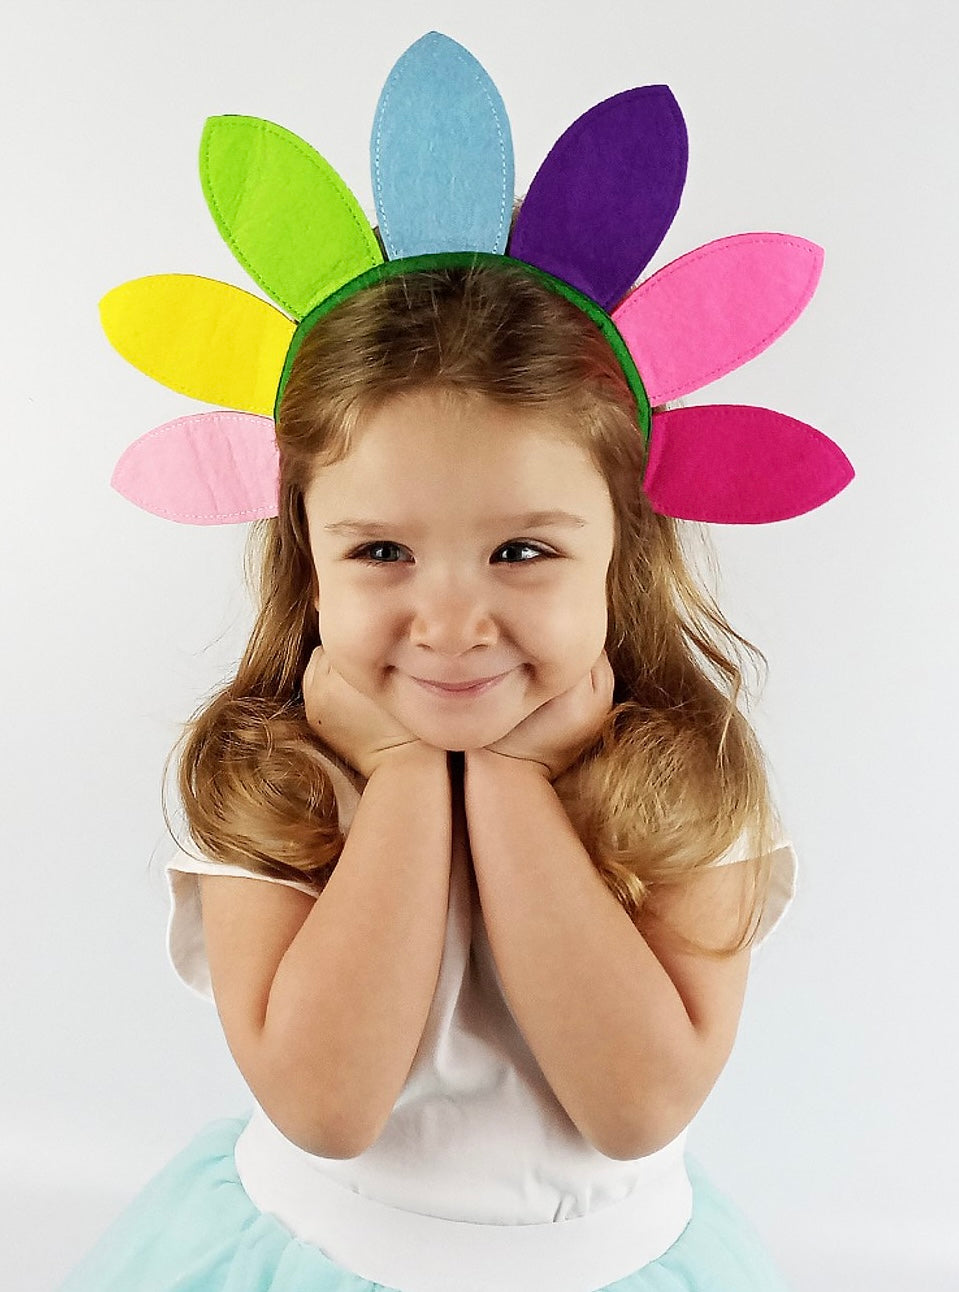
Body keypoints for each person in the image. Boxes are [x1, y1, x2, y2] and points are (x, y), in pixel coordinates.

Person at [63, 32, 853, 1292]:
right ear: (303, 546)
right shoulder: (268, 774)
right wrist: (396, 775)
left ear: (620, 542)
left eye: (522, 550)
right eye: (380, 548)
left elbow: (637, 1102)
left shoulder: (688, 774)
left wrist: (510, 785)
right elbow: (327, 1102)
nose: (449, 620)